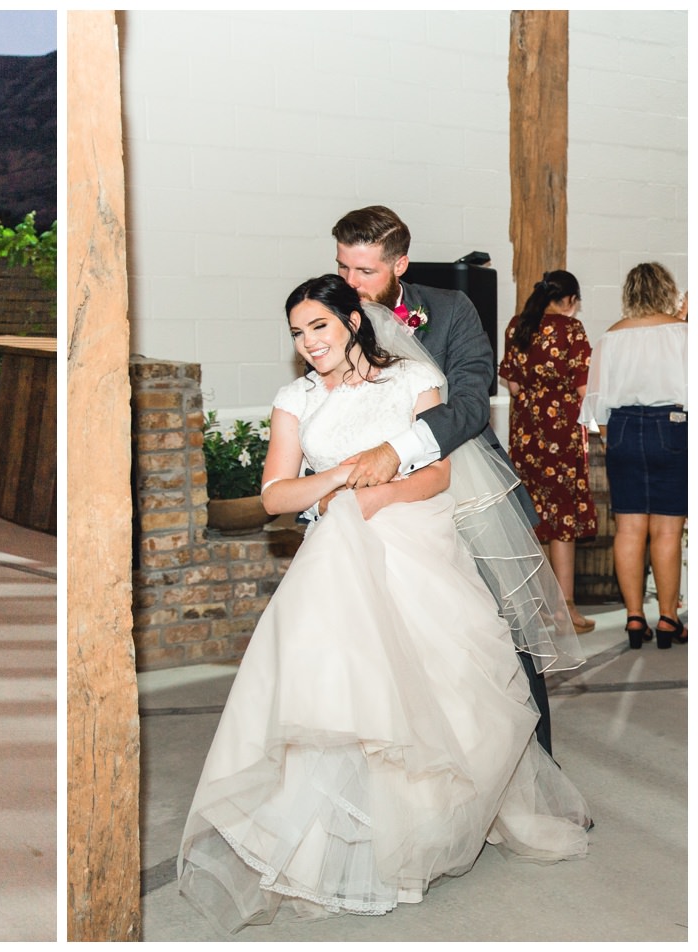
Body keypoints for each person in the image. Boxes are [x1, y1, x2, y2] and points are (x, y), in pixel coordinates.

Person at [177, 276, 590, 932]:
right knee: (339, 690)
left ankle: (426, 833)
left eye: (319, 326)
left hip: (414, 544)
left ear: (353, 321)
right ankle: (338, 850)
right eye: (297, 333)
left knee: (441, 686)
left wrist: (379, 494)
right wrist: (344, 477)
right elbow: (277, 495)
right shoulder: (296, 398)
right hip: (335, 555)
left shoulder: (412, 381)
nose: (308, 343)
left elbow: (439, 472)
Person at [328, 205, 560, 756]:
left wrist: (397, 450)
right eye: (342, 268)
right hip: (373, 498)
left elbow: (471, 405)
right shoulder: (327, 311)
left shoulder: (452, 310)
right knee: (384, 638)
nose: (350, 284)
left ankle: (539, 778)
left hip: (464, 484)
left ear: (400, 264)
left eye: (365, 272)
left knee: (501, 634)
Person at [581, 262, 688, 650]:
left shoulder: (611, 337)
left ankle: (633, 617)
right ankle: (667, 617)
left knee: (628, 529)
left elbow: (597, 402)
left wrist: (615, 439)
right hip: (671, 426)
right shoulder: (683, 334)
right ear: (666, 290)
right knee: (666, 531)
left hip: (622, 429)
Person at [499, 270, 597, 633]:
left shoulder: (517, 326)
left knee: (533, 517)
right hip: (562, 437)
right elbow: (585, 389)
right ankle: (565, 609)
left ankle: (539, 604)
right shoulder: (572, 331)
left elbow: (510, 384)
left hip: (526, 437)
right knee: (563, 522)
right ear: (570, 300)